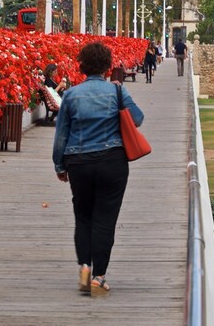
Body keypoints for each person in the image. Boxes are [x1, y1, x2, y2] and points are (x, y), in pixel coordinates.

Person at [53, 41, 144, 297]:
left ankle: (84, 268)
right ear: (107, 66)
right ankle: (99, 277)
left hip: (79, 162)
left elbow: (61, 135)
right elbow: (137, 119)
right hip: (112, 161)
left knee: (83, 217)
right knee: (105, 219)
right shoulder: (116, 92)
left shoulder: (71, 95)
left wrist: (59, 165)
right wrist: (121, 97)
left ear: (82, 66)